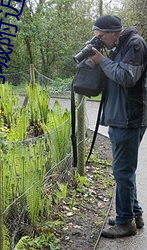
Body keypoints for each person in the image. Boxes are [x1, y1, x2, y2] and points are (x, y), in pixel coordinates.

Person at [89, 15, 147, 238]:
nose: (100, 41)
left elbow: (126, 77)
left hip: (129, 118)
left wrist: (102, 61)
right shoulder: (118, 46)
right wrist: (99, 60)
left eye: (101, 37)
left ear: (113, 32)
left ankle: (125, 223)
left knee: (122, 171)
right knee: (124, 171)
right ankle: (134, 214)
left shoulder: (135, 44)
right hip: (119, 117)